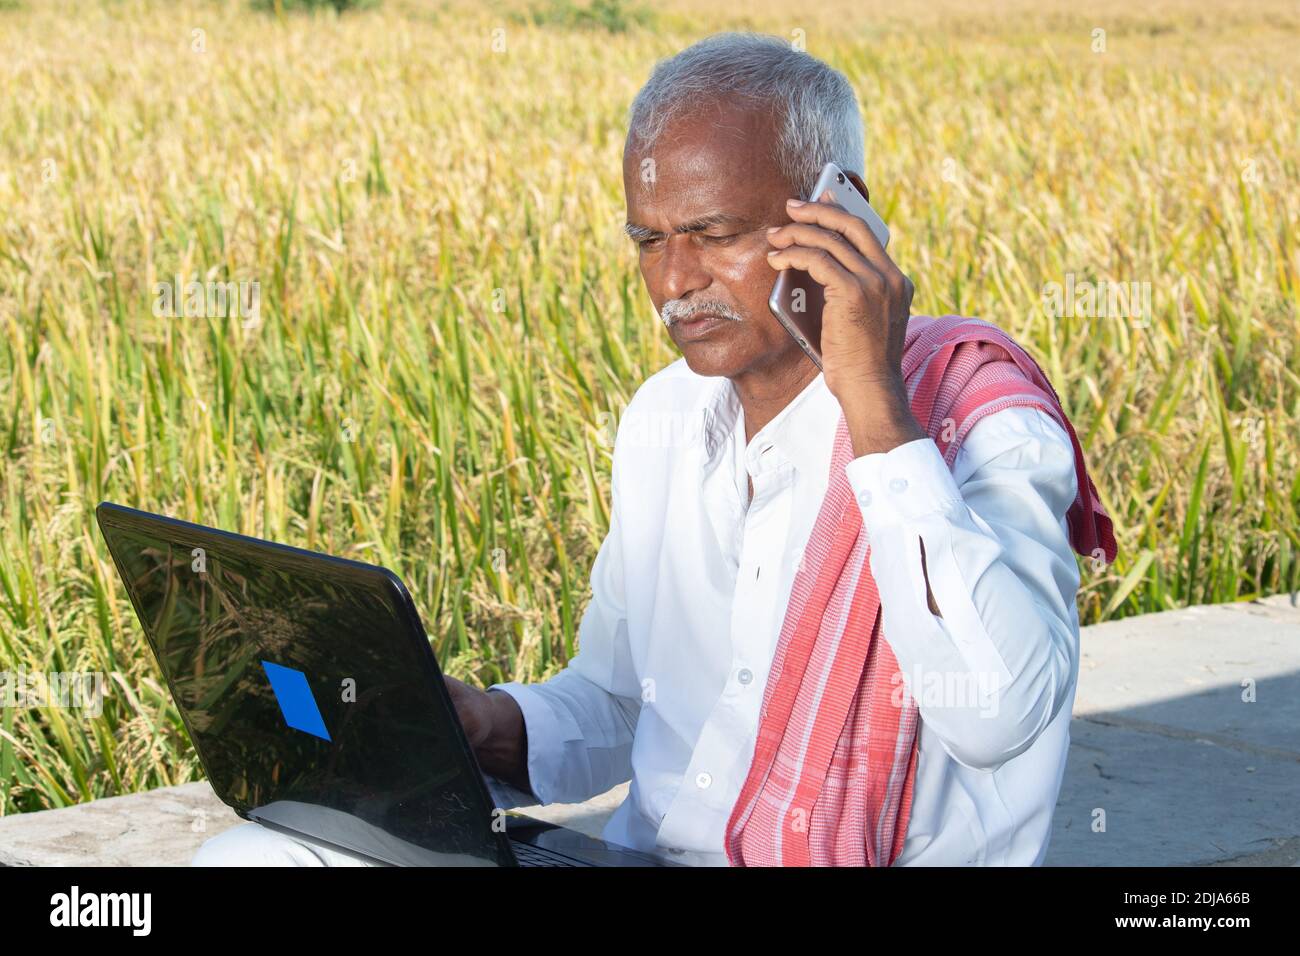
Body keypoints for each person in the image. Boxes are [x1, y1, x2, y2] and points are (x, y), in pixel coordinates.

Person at [195, 31, 1114, 868]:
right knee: (259, 859)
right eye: (648, 239)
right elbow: (623, 702)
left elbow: (1000, 717)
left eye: (715, 234)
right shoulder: (666, 417)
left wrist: (875, 406)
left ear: (841, 217)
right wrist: (487, 728)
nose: (675, 282)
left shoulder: (977, 422)